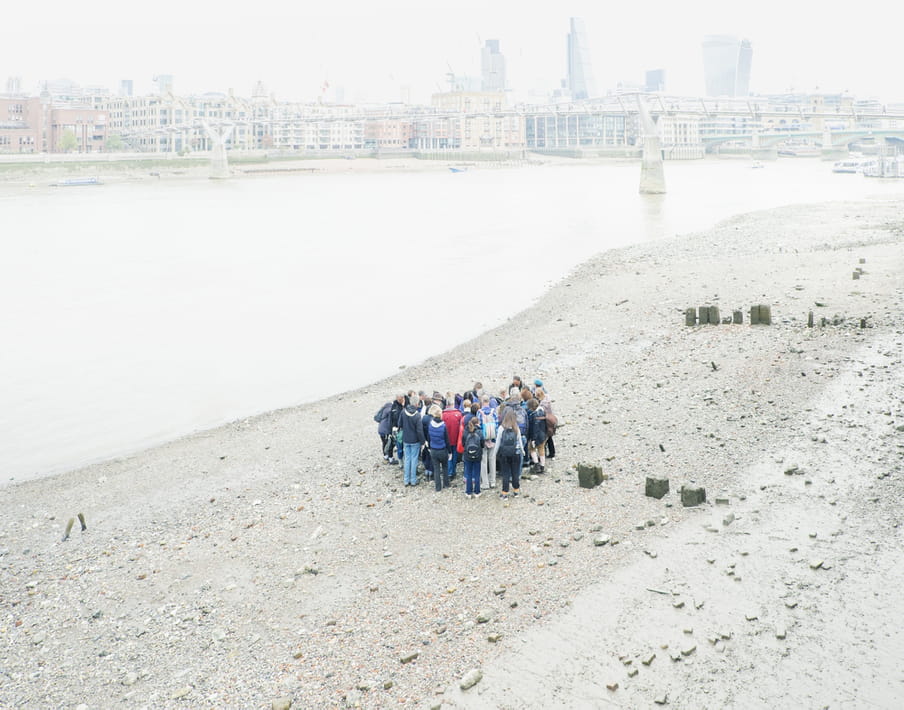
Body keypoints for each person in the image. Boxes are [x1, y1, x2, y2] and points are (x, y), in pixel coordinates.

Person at [496, 409, 523, 499]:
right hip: (516, 453)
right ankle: (516, 491)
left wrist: (495, 454)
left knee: (506, 473)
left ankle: (505, 493)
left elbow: (498, 442)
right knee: (515, 472)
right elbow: (519, 441)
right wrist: (522, 451)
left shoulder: (501, 428)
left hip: (504, 454)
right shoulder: (516, 428)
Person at [399, 395, 425, 486]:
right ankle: (413, 480)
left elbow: (400, 424)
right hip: (415, 440)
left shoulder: (403, 412)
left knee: (407, 459)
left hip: (406, 439)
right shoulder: (417, 415)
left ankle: (406, 480)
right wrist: (423, 441)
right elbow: (419, 431)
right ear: (417, 404)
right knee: (414, 460)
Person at [425, 404, 451, 491]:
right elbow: (447, 440)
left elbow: (429, 437)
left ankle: (438, 487)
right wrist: (450, 451)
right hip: (442, 449)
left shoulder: (430, 425)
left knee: (436, 469)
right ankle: (446, 484)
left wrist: (429, 446)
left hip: (433, 450)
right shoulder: (443, 426)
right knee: (445, 467)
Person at [461, 416, 484, 498]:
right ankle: (477, 491)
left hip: (468, 455)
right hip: (477, 455)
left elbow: (463, 444)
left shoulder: (465, 431)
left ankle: (468, 492)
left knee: (468, 473)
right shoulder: (480, 432)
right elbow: (482, 445)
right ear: (477, 423)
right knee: (477, 473)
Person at [478, 395, 498, 489]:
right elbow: (497, 426)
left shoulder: (479, 412)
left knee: (483, 461)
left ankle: (485, 483)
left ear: (482, 401)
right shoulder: (493, 412)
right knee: (492, 459)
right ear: (489, 401)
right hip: (492, 438)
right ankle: (492, 481)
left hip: (483, 439)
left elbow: (478, 426)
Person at [442, 395, 463, 480]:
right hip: (456, 439)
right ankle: (452, 471)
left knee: (448, 455)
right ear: (453, 404)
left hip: (446, 439)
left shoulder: (443, 415)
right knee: (454, 455)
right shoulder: (458, 414)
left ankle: (449, 472)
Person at [527, 398, 548, 473]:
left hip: (537, 436)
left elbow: (535, 429)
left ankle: (536, 464)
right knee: (541, 449)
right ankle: (542, 466)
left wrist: (533, 439)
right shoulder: (543, 411)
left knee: (531, 448)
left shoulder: (534, 415)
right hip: (544, 435)